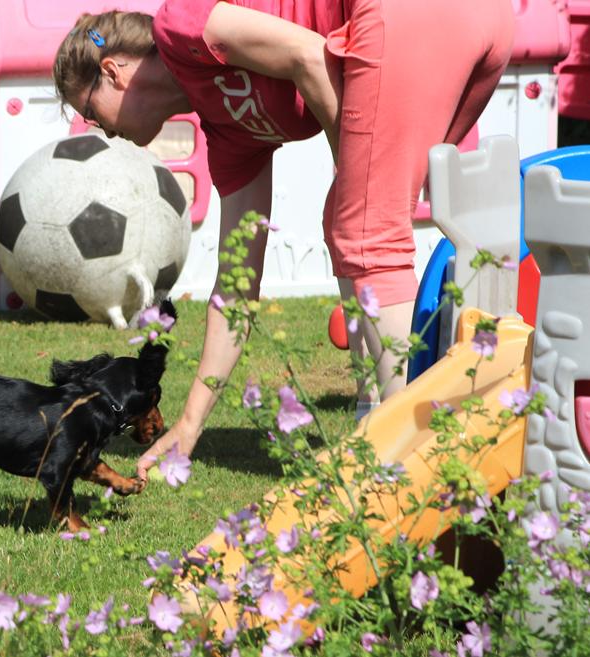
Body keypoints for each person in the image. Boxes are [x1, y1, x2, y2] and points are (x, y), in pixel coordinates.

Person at [52, 0, 515, 483]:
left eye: (90, 112)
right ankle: (388, 420)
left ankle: (411, 467)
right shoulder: (227, 133)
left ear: (113, 72)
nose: (103, 131)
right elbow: (236, 286)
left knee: (364, 229)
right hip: (478, 21)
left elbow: (309, 55)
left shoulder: (180, 23)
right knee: (359, 220)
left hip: (416, 14)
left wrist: (356, 182)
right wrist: (189, 424)